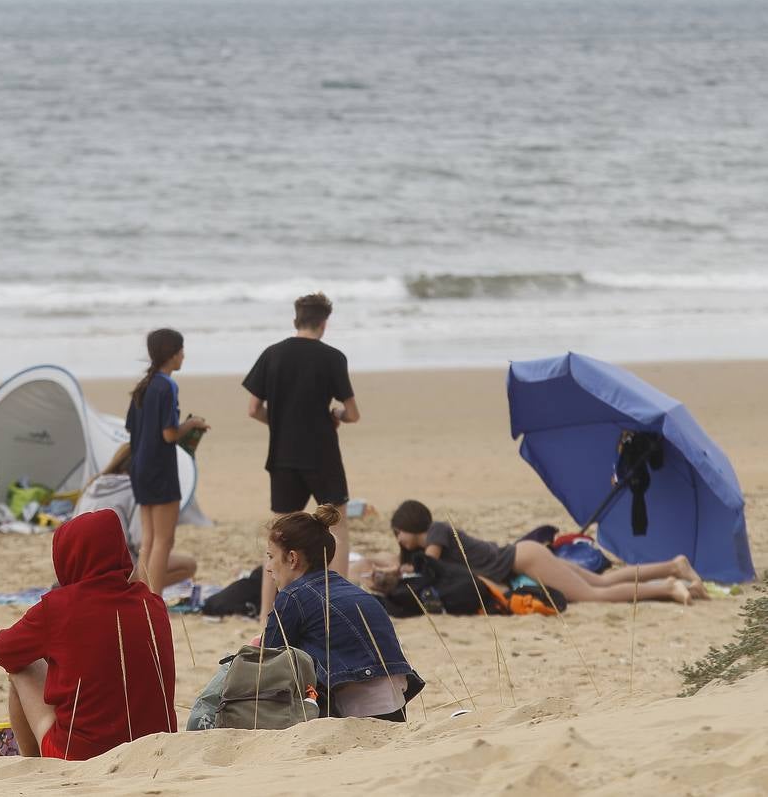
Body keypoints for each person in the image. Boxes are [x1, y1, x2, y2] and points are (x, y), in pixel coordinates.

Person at [0, 510, 177, 760]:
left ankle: (31, 765)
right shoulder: (152, 603)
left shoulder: (57, 608)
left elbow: (1, 651)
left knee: (22, 668)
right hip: (157, 750)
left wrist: (49, 653)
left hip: (80, 755)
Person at [243, 292, 360, 619]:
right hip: (322, 451)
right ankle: (339, 606)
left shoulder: (272, 354)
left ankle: (268, 613)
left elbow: (253, 409)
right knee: (337, 527)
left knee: (278, 534)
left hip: (283, 453)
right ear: (324, 323)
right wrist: (335, 413)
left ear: (296, 319)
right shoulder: (332, 357)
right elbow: (353, 413)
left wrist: (279, 421)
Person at [261, 505, 424, 720]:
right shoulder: (355, 591)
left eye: (271, 556)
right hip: (397, 708)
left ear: (292, 558)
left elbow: (265, 661)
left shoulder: (293, 596)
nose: (268, 567)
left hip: (356, 711)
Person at [387, 499, 706, 605]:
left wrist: (399, 572)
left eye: (398, 532)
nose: (398, 539)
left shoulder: (438, 531)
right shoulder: (433, 539)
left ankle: (666, 589)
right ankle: (673, 567)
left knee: (591, 596)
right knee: (602, 582)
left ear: (410, 524)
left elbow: (430, 567)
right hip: (524, 557)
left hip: (524, 558)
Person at [125, 329, 208, 595]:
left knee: (148, 541)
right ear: (172, 354)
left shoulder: (144, 385)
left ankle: (142, 595)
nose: (184, 355)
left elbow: (132, 428)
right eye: (181, 350)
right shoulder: (167, 386)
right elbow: (169, 433)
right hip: (160, 468)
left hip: (138, 467)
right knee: (164, 540)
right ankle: (153, 598)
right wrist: (192, 424)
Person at [75, 444, 197, 588]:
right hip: (115, 571)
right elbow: (142, 541)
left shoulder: (92, 486)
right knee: (188, 565)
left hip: (80, 569)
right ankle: (131, 593)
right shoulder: (135, 491)